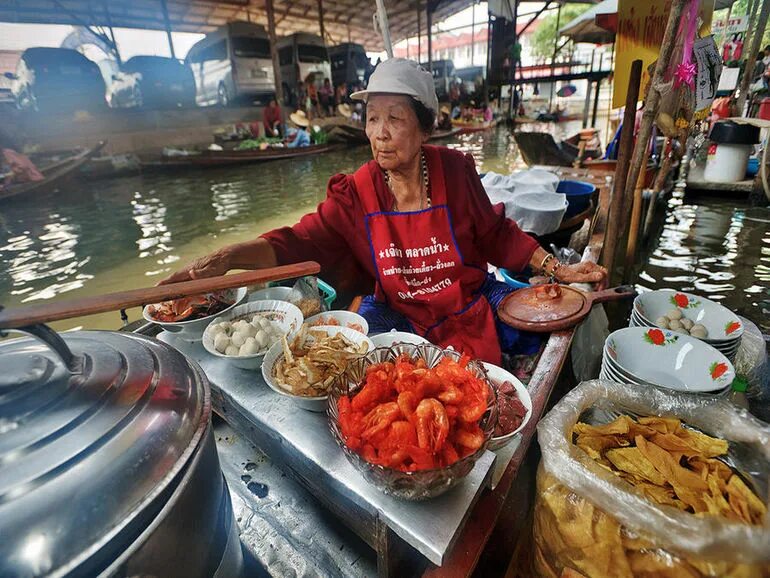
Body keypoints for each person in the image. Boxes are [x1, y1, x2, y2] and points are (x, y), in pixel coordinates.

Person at [160, 58, 606, 364]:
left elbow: (494, 234)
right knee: (349, 354)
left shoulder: (454, 169)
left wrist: (554, 267)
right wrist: (225, 259)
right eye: (373, 118)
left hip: (468, 302)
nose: (381, 133)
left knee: (550, 324)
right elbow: (296, 241)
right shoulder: (357, 191)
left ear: (424, 126)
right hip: (400, 313)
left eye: (395, 118)